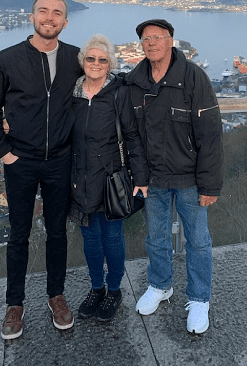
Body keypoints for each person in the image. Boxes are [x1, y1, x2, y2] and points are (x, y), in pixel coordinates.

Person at [0, 0, 82, 340]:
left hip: (61, 160)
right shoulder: (6, 59)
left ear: (65, 22)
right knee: (19, 235)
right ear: (32, 16)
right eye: (43, 11)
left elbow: (104, 81)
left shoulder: (75, 58)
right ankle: (15, 304)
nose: (49, 17)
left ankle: (56, 296)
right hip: (20, 161)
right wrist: (5, 152)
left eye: (57, 13)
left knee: (57, 232)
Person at [126, 19, 223, 334]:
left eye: (158, 37)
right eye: (146, 39)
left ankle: (198, 299)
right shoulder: (135, 82)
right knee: (155, 238)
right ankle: (160, 285)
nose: (151, 42)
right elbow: (134, 139)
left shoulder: (194, 78)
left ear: (171, 41)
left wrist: (210, 184)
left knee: (198, 241)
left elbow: (210, 136)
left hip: (190, 179)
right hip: (153, 179)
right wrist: (140, 177)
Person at [69, 34, 148, 322]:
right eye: (91, 58)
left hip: (111, 179)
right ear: (82, 62)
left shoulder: (118, 94)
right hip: (79, 179)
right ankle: (96, 287)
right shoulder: (73, 94)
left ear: (110, 64)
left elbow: (132, 136)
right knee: (90, 238)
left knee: (112, 238)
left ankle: (114, 289)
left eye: (103, 59)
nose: (96, 63)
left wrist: (140, 177)